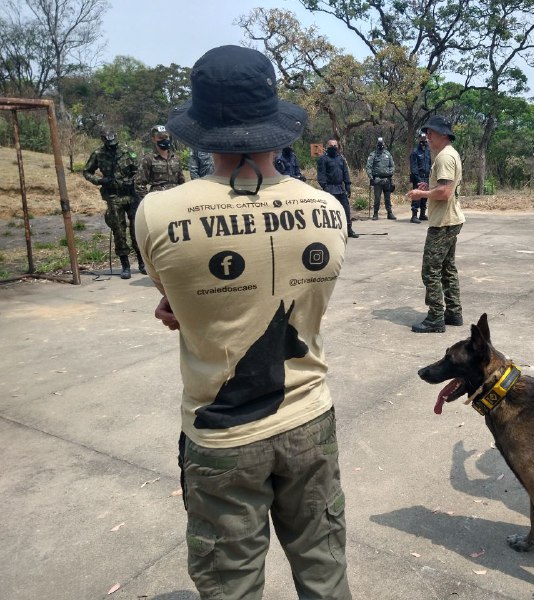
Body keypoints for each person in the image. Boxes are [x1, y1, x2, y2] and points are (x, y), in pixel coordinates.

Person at [135, 45, 352, 600]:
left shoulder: (157, 213)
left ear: (200, 129)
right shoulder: (328, 210)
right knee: (325, 572)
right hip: (310, 422)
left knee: (230, 585)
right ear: (275, 126)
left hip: (220, 438)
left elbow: (176, 302)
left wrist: (187, 309)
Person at [406, 116, 465, 333]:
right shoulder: (449, 154)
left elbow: (444, 192)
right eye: (427, 133)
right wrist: (428, 185)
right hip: (451, 219)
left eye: (431, 133)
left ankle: (435, 317)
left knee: (430, 270)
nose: (427, 137)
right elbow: (442, 186)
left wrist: (421, 193)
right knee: (447, 268)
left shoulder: (444, 157)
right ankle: (453, 312)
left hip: (443, 222)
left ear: (443, 134)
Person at [83, 127, 144, 278]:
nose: (113, 146)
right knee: (118, 230)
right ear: (104, 141)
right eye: (109, 143)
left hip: (131, 195)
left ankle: (142, 262)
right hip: (113, 196)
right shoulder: (98, 154)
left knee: (137, 229)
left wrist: (133, 181)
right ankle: (125, 265)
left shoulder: (127, 151)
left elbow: (139, 170)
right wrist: (100, 180)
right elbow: (86, 172)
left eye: (114, 143)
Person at [317, 139, 358, 238]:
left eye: (335, 146)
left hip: (340, 188)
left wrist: (348, 186)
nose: (333, 148)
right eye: (331, 146)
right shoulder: (323, 159)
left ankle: (349, 229)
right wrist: (325, 187)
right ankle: (329, 232)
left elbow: (345, 173)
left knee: (346, 209)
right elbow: (321, 175)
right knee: (329, 211)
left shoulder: (341, 158)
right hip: (329, 188)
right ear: (327, 146)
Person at [135, 125, 185, 199]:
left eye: (166, 137)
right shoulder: (148, 159)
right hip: (157, 200)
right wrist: (148, 201)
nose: (164, 140)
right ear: (154, 139)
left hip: (175, 199)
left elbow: (182, 181)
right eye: (160, 138)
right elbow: (139, 184)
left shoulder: (176, 158)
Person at [366, 136, 396, 220]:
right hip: (377, 179)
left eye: (381, 144)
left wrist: (390, 173)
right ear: (377, 145)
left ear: (384, 144)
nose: (381, 146)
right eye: (379, 144)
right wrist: (371, 177)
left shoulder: (388, 154)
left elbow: (392, 166)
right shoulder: (373, 154)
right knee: (377, 198)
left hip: (387, 179)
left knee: (387, 197)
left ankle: (389, 213)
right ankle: (375, 214)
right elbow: (368, 167)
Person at [409, 132, 432, 223]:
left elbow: (430, 164)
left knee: (425, 197)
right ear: (419, 140)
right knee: (417, 196)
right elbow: (413, 167)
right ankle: (414, 216)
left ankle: (422, 214)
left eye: (425, 139)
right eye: (422, 139)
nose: (424, 141)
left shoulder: (428, 151)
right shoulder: (415, 152)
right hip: (418, 178)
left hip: (427, 177)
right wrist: (418, 180)